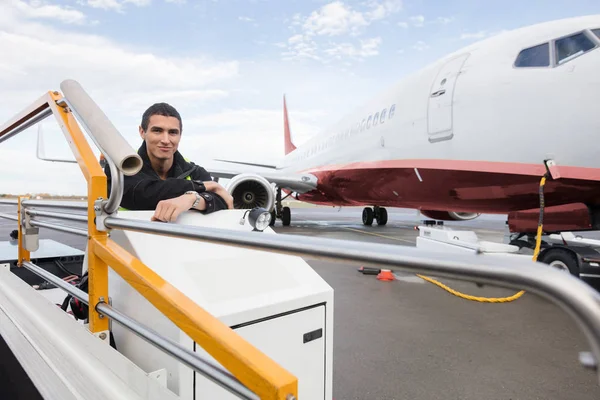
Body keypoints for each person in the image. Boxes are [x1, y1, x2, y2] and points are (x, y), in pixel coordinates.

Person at [105, 102, 233, 222]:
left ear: (180, 136)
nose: (166, 140)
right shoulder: (120, 167)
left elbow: (222, 201)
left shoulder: (194, 171)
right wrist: (199, 187)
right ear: (142, 132)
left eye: (172, 132)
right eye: (157, 131)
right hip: (126, 242)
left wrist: (192, 198)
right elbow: (143, 194)